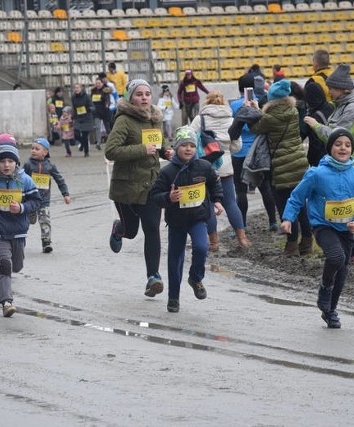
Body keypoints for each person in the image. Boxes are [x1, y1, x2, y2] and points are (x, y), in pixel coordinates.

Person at [280, 128, 354, 328]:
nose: (343, 148)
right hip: (323, 226)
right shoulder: (317, 173)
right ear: (330, 147)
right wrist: (288, 218)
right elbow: (297, 197)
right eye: (338, 144)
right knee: (336, 258)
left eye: (347, 145)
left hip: (347, 229)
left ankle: (330, 310)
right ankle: (325, 287)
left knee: (342, 270)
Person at [105, 79, 173, 297]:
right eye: (139, 94)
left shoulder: (156, 118)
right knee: (132, 232)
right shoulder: (124, 120)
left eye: (147, 94)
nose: (144, 98)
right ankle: (119, 229)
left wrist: (166, 152)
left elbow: (158, 145)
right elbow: (111, 151)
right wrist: (141, 149)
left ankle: (153, 277)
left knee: (152, 229)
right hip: (127, 187)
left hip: (152, 185)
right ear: (130, 97)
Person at [304, 64, 354, 263]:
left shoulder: (353, 109)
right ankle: (352, 249)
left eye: (332, 88)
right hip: (347, 164)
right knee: (346, 206)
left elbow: (337, 136)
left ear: (342, 88)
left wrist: (315, 126)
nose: (329, 92)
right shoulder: (343, 106)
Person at [150, 126, 224, 313]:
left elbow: (215, 183)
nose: (188, 149)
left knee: (201, 247)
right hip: (176, 221)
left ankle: (195, 278)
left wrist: (217, 201)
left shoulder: (204, 167)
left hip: (198, 218)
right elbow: (155, 195)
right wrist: (169, 197)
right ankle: (173, 298)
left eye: (192, 145)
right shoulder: (167, 171)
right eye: (184, 145)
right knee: (175, 260)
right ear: (176, 147)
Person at [0, 141, 42, 316]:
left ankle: (14, 266)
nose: (6, 165)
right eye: (2, 161)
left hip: (18, 229)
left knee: (16, 265)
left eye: (10, 161)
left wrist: (21, 208)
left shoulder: (25, 180)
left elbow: (36, 201)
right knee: (4, 262)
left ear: (16, 163)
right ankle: (7, 302)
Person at [247, 79, 312, 256]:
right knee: (300, 205)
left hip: (281, 167)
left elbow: (255, 127)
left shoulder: (270, 118)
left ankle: (291, 244)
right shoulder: (292, 110)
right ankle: (306, 242)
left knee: (285, 206)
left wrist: (252, 109)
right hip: (298, 164)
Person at [189, 91, 250, 249]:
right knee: (230, 202)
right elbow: (237, 146)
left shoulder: (199, 119)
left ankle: (214, 242)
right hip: (226, 166)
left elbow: (190, 140)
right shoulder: (231, 120)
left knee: (208, 204)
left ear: (206, 102)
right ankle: (242, 238)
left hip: (205, 166)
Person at [230, 74, 277, 231]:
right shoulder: (262, 103)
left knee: (240, 189)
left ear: (238, 88)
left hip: (239, 152)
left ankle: (242, 225)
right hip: (258, 151)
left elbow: (231, 129)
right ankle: (272, 221)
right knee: (264, 187)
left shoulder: (234, 105)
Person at [23, 138, 71, 253]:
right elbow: (21, 180)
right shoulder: (28, 164)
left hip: (43, 200)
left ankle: (46, 242)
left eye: (37, 149)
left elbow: (60, 180)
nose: (33, 151)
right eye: (32, 148)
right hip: (30, 200)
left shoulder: (50, 166)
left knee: (45, 220)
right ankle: (20, 240)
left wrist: (65, 194)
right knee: (26, 221)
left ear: (45, 152)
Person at [304, 82, 334, 167]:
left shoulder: (313, 117)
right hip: (334, 156)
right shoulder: (331, 107)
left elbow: (315, 144)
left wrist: (311, 160)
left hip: (321, 161)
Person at [71, 83, 94, 157]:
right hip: (78, 117)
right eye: (75, 88)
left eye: (78, 88)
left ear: (81, 88)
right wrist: (72, 116)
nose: (76, 89)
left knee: (85, 135)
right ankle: (83, 144)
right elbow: (74, 108)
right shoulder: (73, 97)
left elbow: (92, 106)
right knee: (76, 134)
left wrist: (90, 109)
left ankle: (86, 152)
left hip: (87, 118)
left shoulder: (87, 97)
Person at [90, 78, 112, 150]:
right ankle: (98, 143)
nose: (98, 84)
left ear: (102, 84)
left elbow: (107, 99)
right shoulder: (93, 91)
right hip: (96, 112)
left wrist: (107, 104)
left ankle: (111, 143)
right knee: (98, 128)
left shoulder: (105, 91)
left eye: (99, 83)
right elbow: (91, 100)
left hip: (105, 111)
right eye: (96, 83)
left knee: (107, 128)